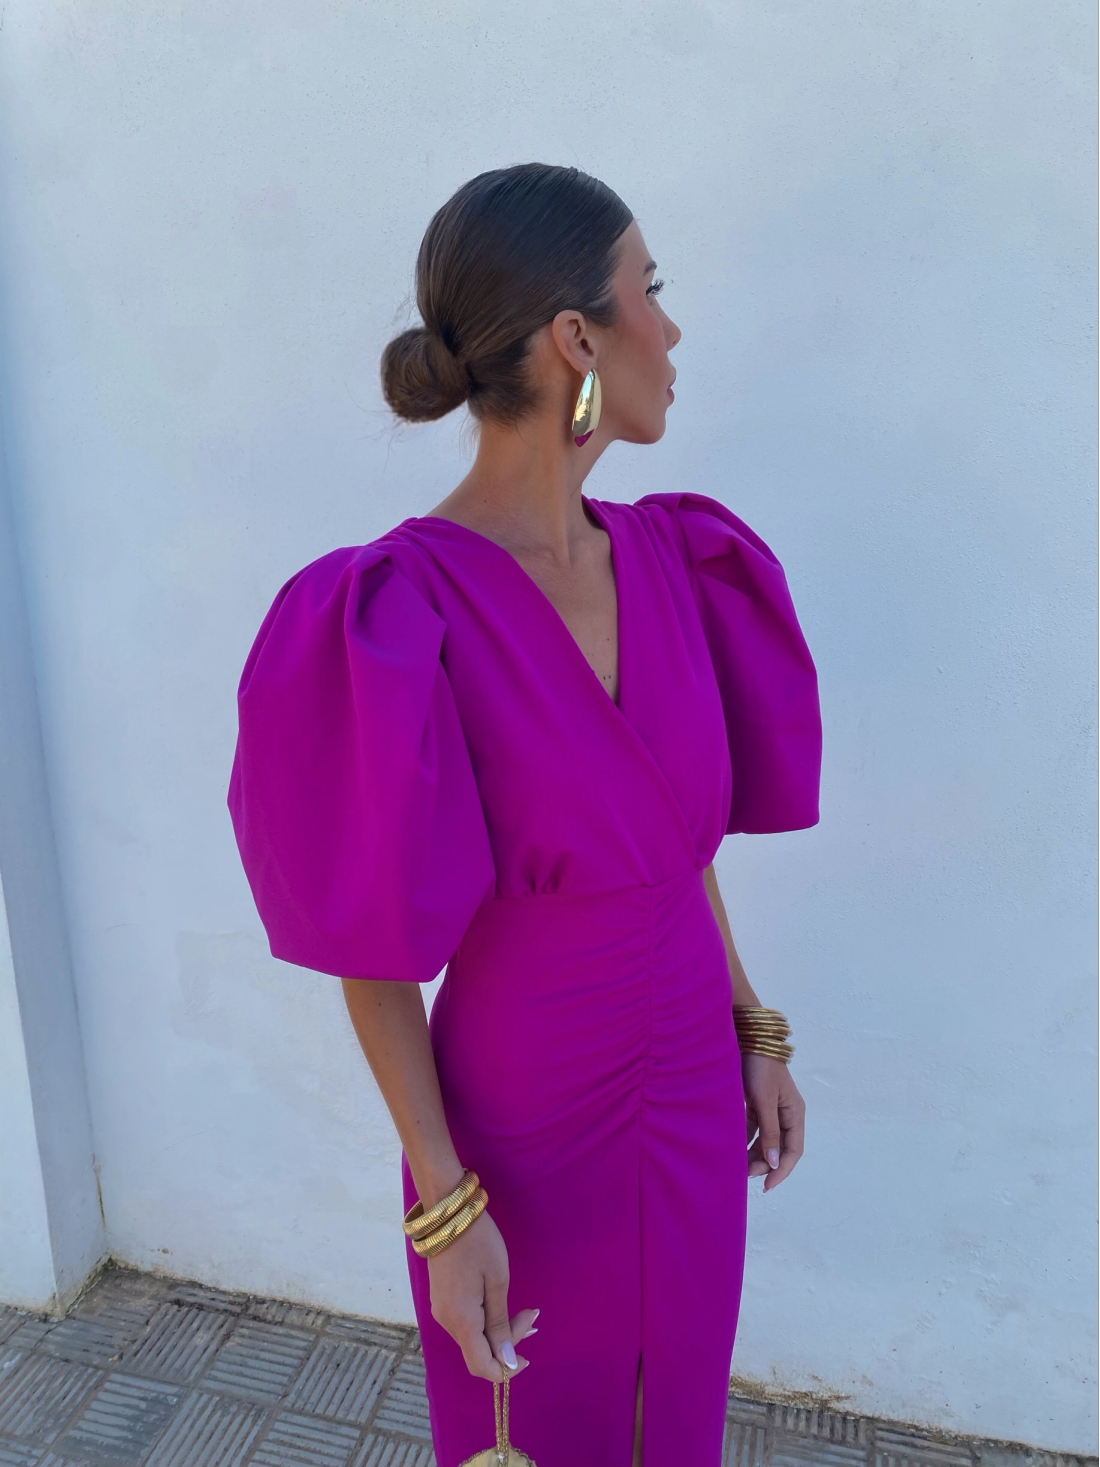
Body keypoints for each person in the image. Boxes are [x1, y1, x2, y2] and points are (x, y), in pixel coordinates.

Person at [229, 163, 821, 1467]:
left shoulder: (674, 562)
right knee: (537, 1432)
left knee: (675, 1418)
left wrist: (751, 1024)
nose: (672, 328)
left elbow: (673, 847)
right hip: (523, 1121)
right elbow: (372, 951)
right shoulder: (392, 614)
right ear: (576, 341)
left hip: (690, 1083)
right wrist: (444, 1207)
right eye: (649, 291)